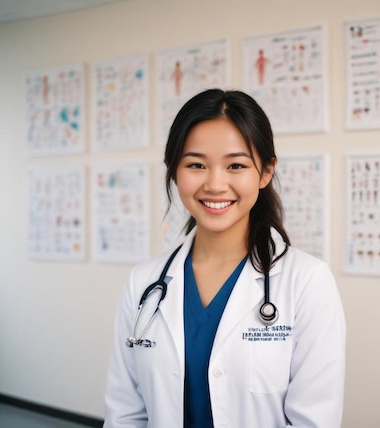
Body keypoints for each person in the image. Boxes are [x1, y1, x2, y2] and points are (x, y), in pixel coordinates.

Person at [103, 89, 346, 427]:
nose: (215, 184)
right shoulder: (143, 283)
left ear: (265, 172)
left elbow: (314, 420)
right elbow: (125, 413)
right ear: (174, 171)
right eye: (196, 165)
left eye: (236, 165)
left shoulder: (307, 282)